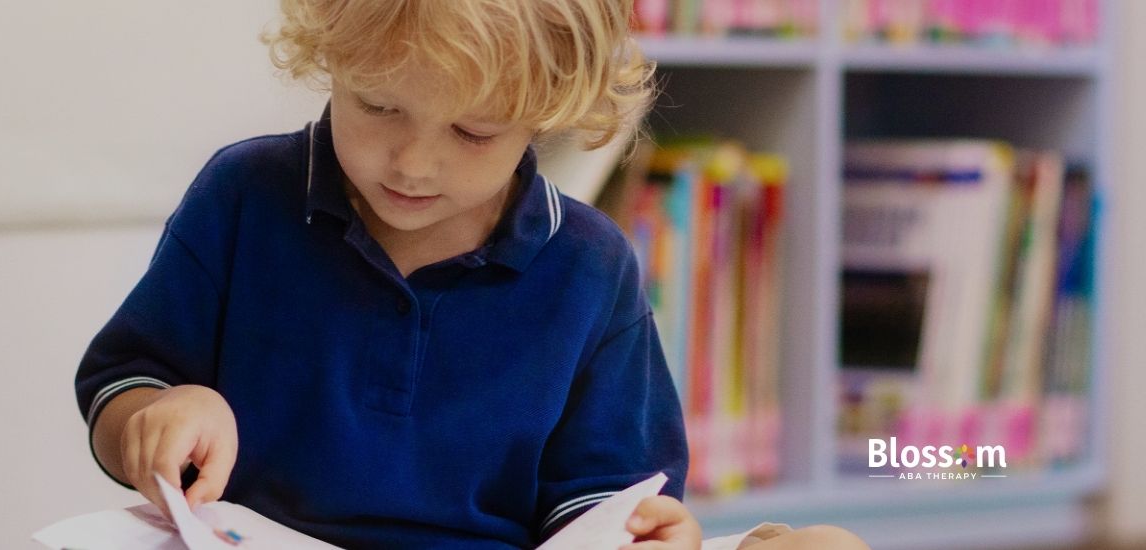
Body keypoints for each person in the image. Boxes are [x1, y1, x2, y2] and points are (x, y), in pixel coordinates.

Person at [74, 1, 868, 548]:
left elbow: (608, 497)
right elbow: (122, 383)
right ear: (332, 57)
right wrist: (157, 413)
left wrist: (644, 531)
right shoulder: (245, 196)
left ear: (549, 109)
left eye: (474, 130)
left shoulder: (588, 267)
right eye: (379, 106)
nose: (415, 162)